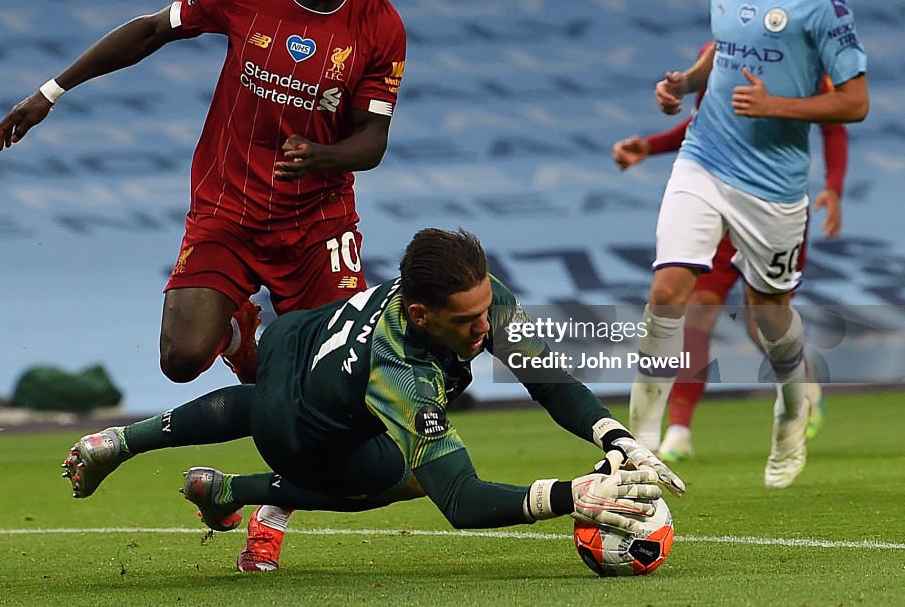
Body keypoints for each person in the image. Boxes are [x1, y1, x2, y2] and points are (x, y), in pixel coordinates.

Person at [0, 0, 407, 568]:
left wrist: (322, 156)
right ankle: (243, 333)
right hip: (228, 211)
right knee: (182, 358)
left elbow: (374, 141)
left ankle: (268, 522)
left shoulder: (379, 25)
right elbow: (153, 29)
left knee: (331, 394)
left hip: (319, 225)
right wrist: (49, 93)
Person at [61, 228, 685, 568]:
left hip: (297, 338)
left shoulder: (472, 294)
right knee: (399, 476)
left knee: (269, 398)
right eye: (467, 321)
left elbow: (544, 376)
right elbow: (463, 503)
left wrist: (615, 436)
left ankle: (116, 440)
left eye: (483, 309)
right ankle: (235, 490)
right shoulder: (401, 375)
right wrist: (571, 495)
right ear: (419, 314)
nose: (484, 328)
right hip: (299, 434)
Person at [626, 0, 868, 489]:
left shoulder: (824, 8)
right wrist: (684, 82)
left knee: (768, 316)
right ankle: (639, 448)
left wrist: (778, 107)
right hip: (704, 161)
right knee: (669, 292)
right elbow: (721, 52)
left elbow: (854, 103)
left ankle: (792, 408)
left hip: (775, 187)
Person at [613, 70, 847, 462]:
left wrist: (834, 186)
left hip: (774, 202)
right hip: (716, 200)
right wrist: (651, 146)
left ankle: (802, 380)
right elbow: (702, 121)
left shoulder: (801, 58)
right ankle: (679, 429)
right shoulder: (719, 53)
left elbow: (835, 122)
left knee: (763, 321)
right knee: (698, 312)